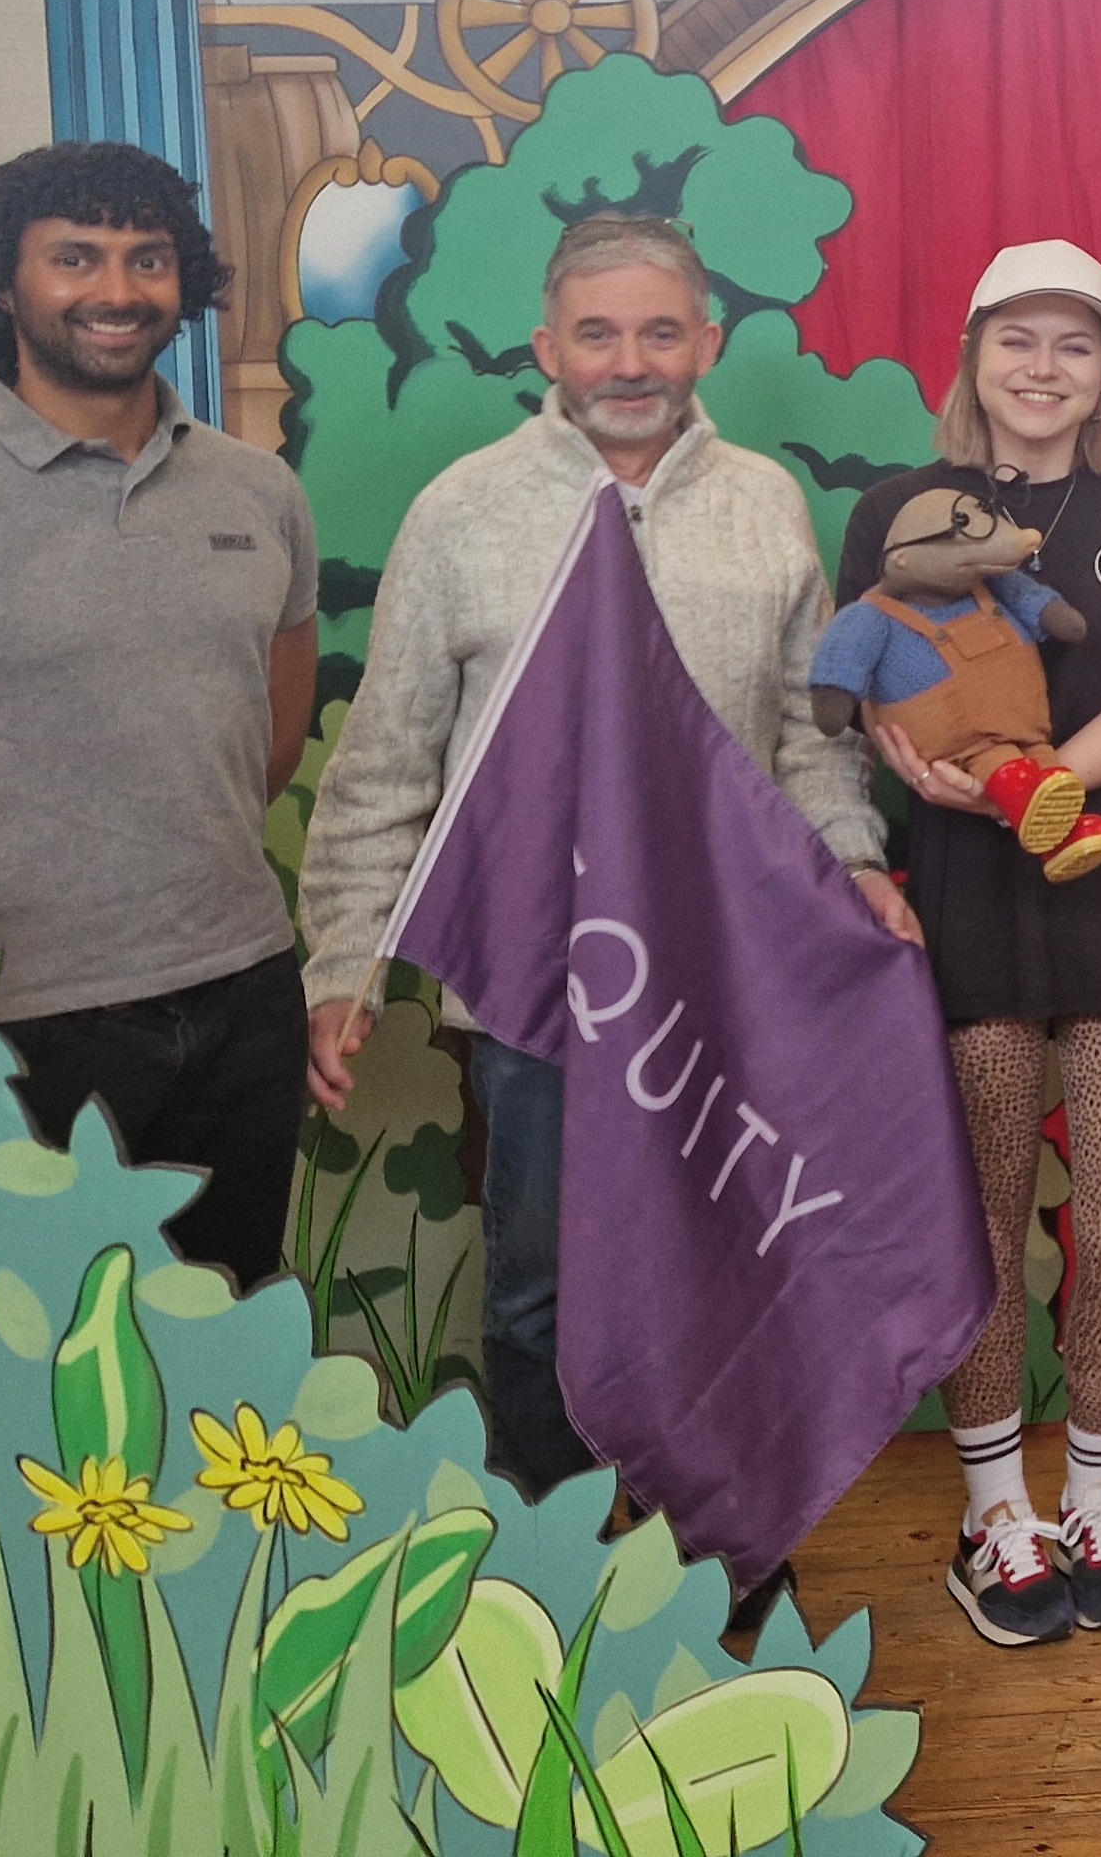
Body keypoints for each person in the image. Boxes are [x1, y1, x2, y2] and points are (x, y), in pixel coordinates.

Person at [296, 214, 909, 1511]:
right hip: (534, 989)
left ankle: (721, 1550)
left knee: (729, 1275)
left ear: (707, 343)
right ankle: (558, 1567)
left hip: (725, 977)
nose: (628, 361)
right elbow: (385, 762)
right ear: (547, 347)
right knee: (540, 1292)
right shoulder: (461, 512)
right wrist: (343, 962)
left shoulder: (764, 504)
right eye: (597, 333)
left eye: (657, 331)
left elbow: (807, 733)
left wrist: (855, 860)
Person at [0, 141, 320, 1287]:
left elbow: (265, 738)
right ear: (2, 283)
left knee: (224, 1333)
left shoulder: (261, 493)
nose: (116, 289)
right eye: (75, 257)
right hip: (12, 1024)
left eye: (147, 258)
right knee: (34, 1350)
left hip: (243, 996)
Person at [835, 240, 1101, 1649]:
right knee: (981, 1224)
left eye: (1073, 343)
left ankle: (1097, 1493)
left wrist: (1033, 785)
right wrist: (934, 772)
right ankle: (995, 1511)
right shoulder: (894, 506)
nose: (1042, 367)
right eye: (1017, 338)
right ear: (974, 353)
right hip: (961, 900)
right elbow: (866, 678)